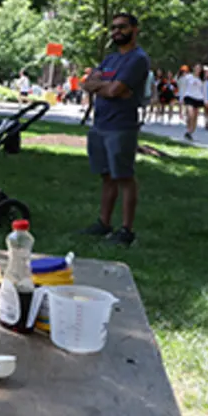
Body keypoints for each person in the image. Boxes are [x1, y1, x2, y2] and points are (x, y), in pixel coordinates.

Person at [80, 13, 150, 247]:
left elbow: (114, 91)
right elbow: (87, 84)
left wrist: (103, 87)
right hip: (100, 124)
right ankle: (103, 223)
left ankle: (127, 230)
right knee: (106, 176)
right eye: (113, 28)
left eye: (122, 27)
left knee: (124, 177)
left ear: (134, 29)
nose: (116, 32)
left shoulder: (137, 59)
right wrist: (105, 86)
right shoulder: (109, 59)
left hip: (122, 126)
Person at [178, 63, 205, 141]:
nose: (197, 70)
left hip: (198, 98)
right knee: (190, 114)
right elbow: (183, 88)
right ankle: (188, 129)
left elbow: (204, 90)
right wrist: (181, 98)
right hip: (189, 96)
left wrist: (205, 100)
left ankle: (190, 131)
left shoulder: (202, 79)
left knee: (195, 116)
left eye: (199, 69)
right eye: (196, 68)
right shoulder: (188, 77)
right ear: (193, 68)